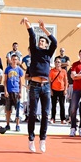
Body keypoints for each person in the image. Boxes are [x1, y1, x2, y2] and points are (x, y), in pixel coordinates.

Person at [22, 18, 57, 153]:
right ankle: (31, 139)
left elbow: (54, 42)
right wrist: (28, 24)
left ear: (46, 45)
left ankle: (43, 139)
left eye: (43, 41)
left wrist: (44, 29)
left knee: (46, 114)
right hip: (35, 86)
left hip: (46, 86)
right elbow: (32, 36)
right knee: (32, 113)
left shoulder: (48, 54)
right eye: (40, 41)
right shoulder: (35, 51)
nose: (41, 42)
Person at [2, 54, 25, 133]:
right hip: (9, 91)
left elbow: (21, 82)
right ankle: (7, 124)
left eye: (16, 59)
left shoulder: (19, 70)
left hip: (16, 91)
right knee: (8, 109)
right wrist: (5, 90)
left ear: (17, 60)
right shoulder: (7, 69)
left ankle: (17, 125)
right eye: (13, 59)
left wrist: (20, 92)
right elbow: (5, 81)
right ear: (11, 60)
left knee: (18, 109)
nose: (14, 61)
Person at [49, 57, 68, 124]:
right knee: (53, 105)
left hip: (61, 90)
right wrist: (50, 90)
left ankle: (63, 119)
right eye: (56, 62)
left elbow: (66, 81)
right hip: (54, 89)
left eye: (59, 62)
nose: (57, 63)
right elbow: (49, 81)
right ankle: (52, 118)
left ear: (61, 63)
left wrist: (65, 89)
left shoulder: (64, 71)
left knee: (62, 105)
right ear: (54, 63)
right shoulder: (51, 71)